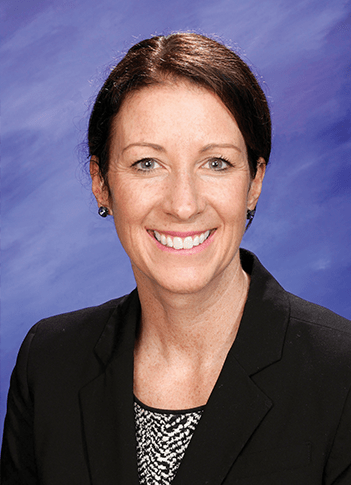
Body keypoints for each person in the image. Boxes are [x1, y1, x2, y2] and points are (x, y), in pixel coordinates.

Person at [1, 33, 351, 485]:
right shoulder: (48, 364)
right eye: (147, 163)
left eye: (216, 163)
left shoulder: (340, 373)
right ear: (101, 182)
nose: (183, 205)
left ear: (254, 182)